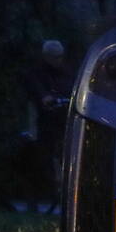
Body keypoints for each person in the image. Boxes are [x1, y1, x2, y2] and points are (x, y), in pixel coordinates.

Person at [23, 39, 75, 212]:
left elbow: (72, 87)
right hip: (42, 123)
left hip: (62, 121)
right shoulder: (36, 73)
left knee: (65, 156)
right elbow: (37, 91)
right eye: (54, 57)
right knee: (40, 159)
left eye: (60, 56)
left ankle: (63, 195)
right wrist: (45, 98)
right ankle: (35, 199)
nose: (58, 60)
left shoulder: (67, 72)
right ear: (46, 57)